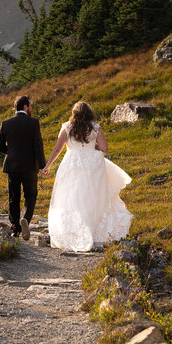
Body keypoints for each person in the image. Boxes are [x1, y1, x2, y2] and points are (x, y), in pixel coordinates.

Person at [42, 101, 133, 252]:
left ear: (74, 113)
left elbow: (58, 149)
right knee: (92, 197)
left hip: (73, 164)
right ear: (89, 112)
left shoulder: (67, 127)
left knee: (72, 197)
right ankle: (93, 229)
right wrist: (95, 146)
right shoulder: (95, 128)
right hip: (92, 165)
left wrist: (48, 165)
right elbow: (104, 148)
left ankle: (74, 229)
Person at [0, 95, 46, 240]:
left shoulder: (6, 123)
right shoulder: (33, 123)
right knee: (30, 195)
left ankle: (15, 229)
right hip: (30, 166)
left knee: (14, 197)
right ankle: (25, 218)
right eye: (30, 106)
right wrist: (42, 166)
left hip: (12, 165)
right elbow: (38, 146)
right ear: (25, 106)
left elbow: (0, 147)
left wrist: (12, 153)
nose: (31, 109)